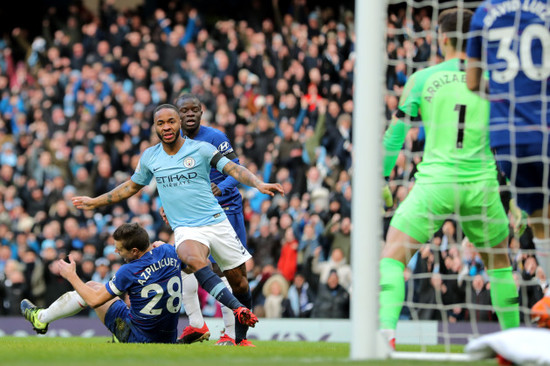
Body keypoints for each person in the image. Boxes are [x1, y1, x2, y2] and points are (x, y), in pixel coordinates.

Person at [72, 104, 284, 346]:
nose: (166, 127)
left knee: (240, 283)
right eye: (161, 123)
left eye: (171, 121)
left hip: (217, 222)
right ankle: (234, 310)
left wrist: (258, 184)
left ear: (179, 123)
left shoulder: (202, 149)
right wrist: (95, 202)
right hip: (186, 227)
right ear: (155, 127)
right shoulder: (151, 157)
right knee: (191, 258)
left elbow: (233, 168)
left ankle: (240, 339)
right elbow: (130, 187)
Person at [380, 8, 519, 350]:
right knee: (499, 266)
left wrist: (383, 177)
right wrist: (518, 198)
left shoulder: (422, 78)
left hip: (435, 184)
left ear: (441, 39)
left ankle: (385, 336)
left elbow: (395, 135)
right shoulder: (495, 81)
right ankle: (515, 342)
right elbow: (512, 141)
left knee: (392, 259)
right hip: (482, 186)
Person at [466, 0, 550, 283]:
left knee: (538, 219)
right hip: (545, 125)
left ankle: (548, 286)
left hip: (508, 138)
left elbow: (472, 82)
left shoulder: (484, 13)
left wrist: (505, 92)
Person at [168, 93, 252, 346]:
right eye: (185, 111)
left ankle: (230, 333)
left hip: (225, 210)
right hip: (193, 213)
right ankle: (196, 325)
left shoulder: (215, 138)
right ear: (177, 115)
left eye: (194, 110)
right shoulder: (174, 143)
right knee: (184, 266)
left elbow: (237, 171)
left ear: (202, 112)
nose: (190, 114)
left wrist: (221, 188)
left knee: (223, 270)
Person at [20, 223, 182, 343]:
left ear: (134, 251)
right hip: (169, 337)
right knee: (98, 289)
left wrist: (72, 276)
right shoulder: (168, 250)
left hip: (139, 337)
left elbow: (94, 300)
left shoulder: (129, 270)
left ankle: (40, 318)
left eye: (119, 249)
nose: (116, 251)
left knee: (91, 289)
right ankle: (41, 317)